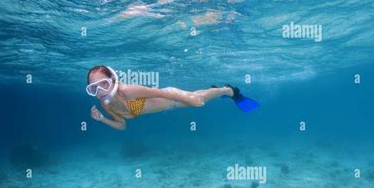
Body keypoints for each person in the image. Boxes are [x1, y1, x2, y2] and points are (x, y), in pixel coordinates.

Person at [86, 65, 259, 130]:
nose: (100, 90)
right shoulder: (106, 104)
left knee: (199, 101)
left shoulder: (128, 91)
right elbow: (122, 125)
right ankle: (217, 90)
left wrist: (188, 100)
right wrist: (102, 119)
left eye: (104, 84)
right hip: (170, 106)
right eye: (94, 88)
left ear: (113, 81)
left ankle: (227, 91)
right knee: (199, 97)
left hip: (171, 98)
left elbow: (161, 92)